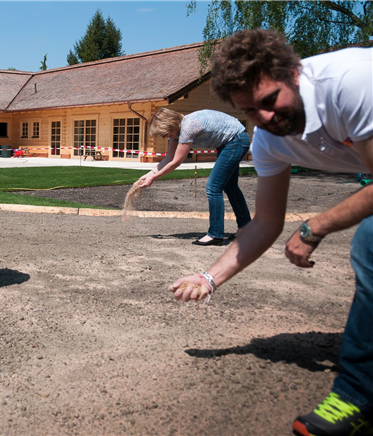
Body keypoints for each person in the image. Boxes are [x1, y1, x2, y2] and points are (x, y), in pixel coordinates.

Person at [169, 29, 372, 436]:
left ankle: (355, 397)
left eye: (269, 100)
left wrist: (316, 226)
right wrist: (209, 278)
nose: (264, 118)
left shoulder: (351, 82)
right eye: (250, 111)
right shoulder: (268, 141)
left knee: (369, 249)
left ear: (294, 74)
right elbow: (265, 222)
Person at [139, 108, 252, 245]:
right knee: (230, 186)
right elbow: (169, 158)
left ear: (170, 125)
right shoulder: (178, 132)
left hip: (236, 140)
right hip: (230, 142)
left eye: (164, 133)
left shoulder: (188, 127)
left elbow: (176, 162)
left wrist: (154, 178)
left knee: (214, 187)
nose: (164, 137)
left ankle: (215, 234)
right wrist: (150, 174)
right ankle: (246, 228)